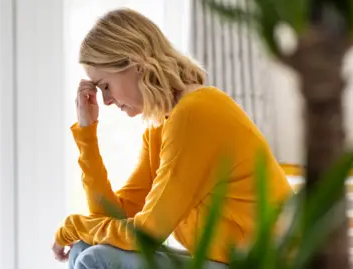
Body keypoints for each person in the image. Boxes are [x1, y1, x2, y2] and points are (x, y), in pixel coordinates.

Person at [52, 7, 292, 269]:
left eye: (105, 86)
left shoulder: (196, 113)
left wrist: (71, 226)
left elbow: (147, 234)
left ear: (135, 63)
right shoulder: (160, 129)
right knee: (86, 246)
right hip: (225, 262)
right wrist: (87, 134)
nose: (106, 101)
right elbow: (114, 217)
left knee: (95, 257)